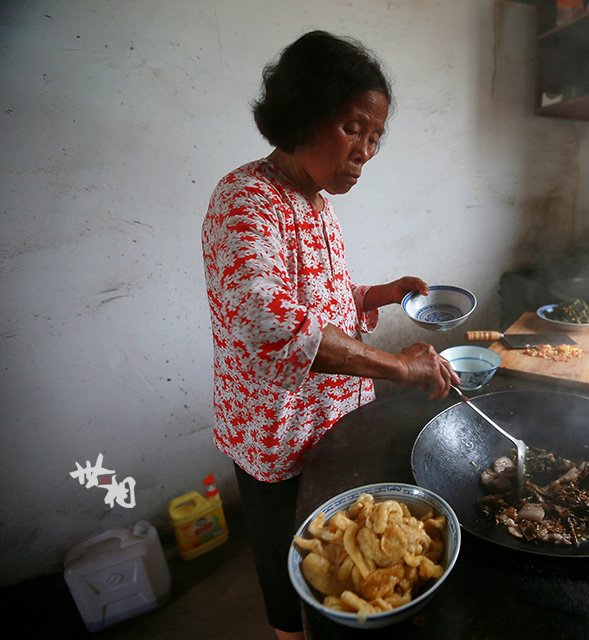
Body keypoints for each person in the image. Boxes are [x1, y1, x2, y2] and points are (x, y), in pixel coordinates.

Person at [200, 31, 459, 640]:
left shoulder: (316, 203)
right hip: (277, 434)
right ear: (303, 113)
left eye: (374, 137)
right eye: (352, 129)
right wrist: (399, 366)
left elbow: (323, 302)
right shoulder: (245, 199)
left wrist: (379, 294)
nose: (365, 152)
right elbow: (269, 321)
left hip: (334, 420)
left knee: (339, 556)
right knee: (287, 567)